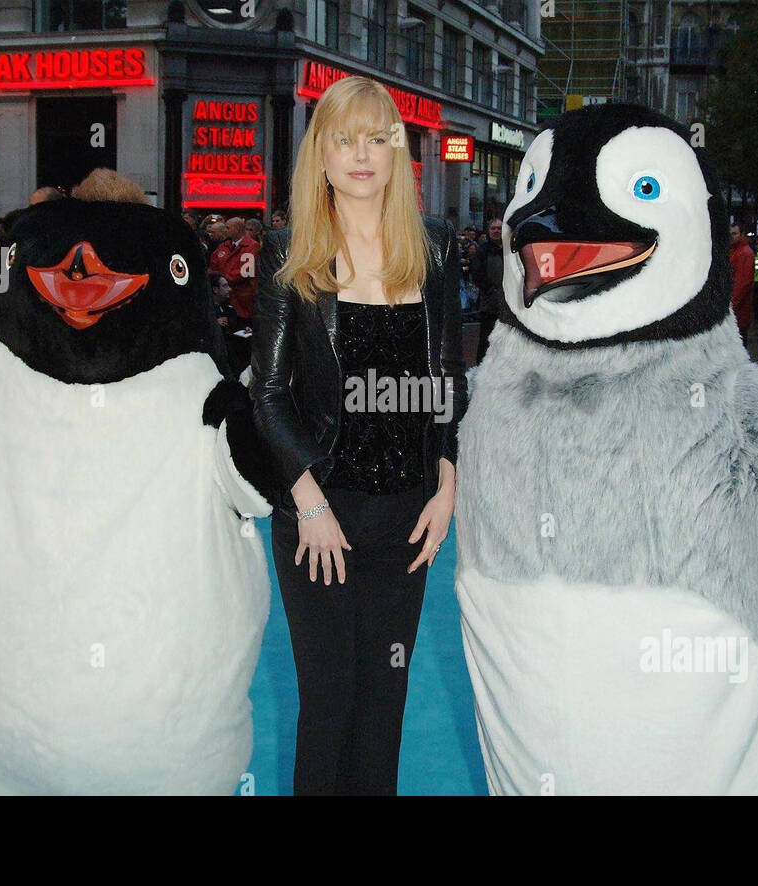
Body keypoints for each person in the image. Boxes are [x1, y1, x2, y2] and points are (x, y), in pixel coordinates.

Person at [250, 74, 467, 795]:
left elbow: (447, 379)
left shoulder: (433, 247)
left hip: (408, 516)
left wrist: (448, 482)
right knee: (330, 697)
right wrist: (307, 502)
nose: (362, 154)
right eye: (346, 139)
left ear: (397, 153)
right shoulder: (289, 251)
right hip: (322, 514)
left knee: (386, 698)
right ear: (322, 154)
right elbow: (271, 398)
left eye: (378, 138)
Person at [471, 217, 504, 363]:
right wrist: (491, 291)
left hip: (508, 303)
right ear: (488, 231)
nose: (496, 231)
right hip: (489, 302)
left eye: (499, 228)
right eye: (493, 228)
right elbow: (477, 274)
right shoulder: (482, 250)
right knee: (486, 338)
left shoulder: (511, 249)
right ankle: (481, 367)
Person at [728, 223, 755, 344]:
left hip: (737, 309)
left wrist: (731, 304)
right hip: (734, 307)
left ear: (741, 234)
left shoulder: (744, 253)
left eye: (734, 233)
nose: (731, 236)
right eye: (730, 233)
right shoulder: (735, 251)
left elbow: (742, 283)